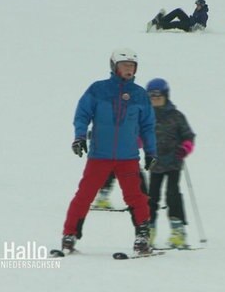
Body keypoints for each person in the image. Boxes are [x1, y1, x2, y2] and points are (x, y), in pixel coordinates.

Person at [61, 48, 157, 255]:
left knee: (136, 197)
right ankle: (69, 235)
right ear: (114, 67)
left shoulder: (139, 95)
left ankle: (142, 236)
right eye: (125, 65)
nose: (129, 69)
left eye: (132, 66)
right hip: (100, 156)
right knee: (85, 195)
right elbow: (82, 115)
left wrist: (151, 152)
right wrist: (79, 136)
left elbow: (148, 126)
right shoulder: (98, 89)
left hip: (128, 157)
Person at [144, 78, 196, 249]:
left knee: (173, 194)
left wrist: (185, 147)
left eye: (159, 95)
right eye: (152, 96)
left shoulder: (176, 116)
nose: (155, 98)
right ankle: (148, 231)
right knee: (152, 197)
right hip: (155, 163)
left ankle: (178, 232)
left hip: (173, 162)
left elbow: (188, 135)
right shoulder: (146, 116)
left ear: (166, 95)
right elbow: (138, 135)